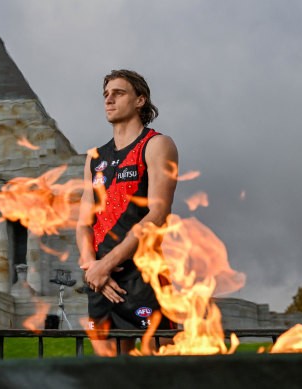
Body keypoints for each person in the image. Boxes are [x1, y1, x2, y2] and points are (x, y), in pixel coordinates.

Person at [77, 69, 178, 354]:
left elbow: (158, 215)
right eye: (106, 95)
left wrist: (105, 264)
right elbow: (84, 223)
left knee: (159, 367)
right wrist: (92, 267)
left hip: (143, 275)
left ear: (140, 100)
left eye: (118, 93)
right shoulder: (94, 158)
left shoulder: (157, 145)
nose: (109, 100)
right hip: (99, 281)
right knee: (109, 373)